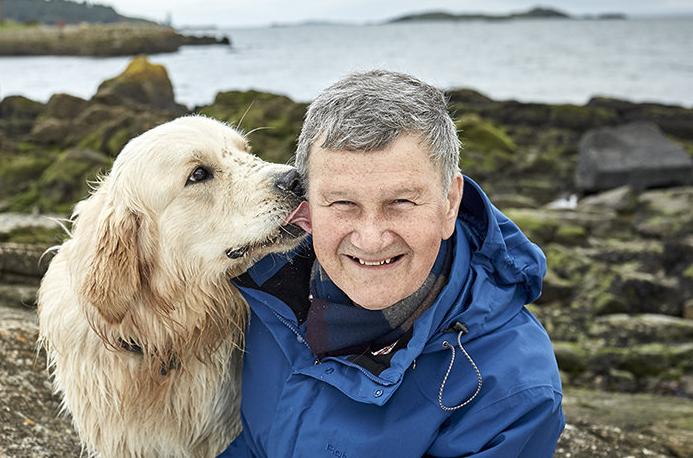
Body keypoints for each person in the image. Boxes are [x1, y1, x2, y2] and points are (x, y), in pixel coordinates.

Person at [220, 70, 565, 457]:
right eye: (342, 203)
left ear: (449, 203)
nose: (370, 238)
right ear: (307, 207)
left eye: (400, 202)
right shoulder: (253, 286)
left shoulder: (511, 393)